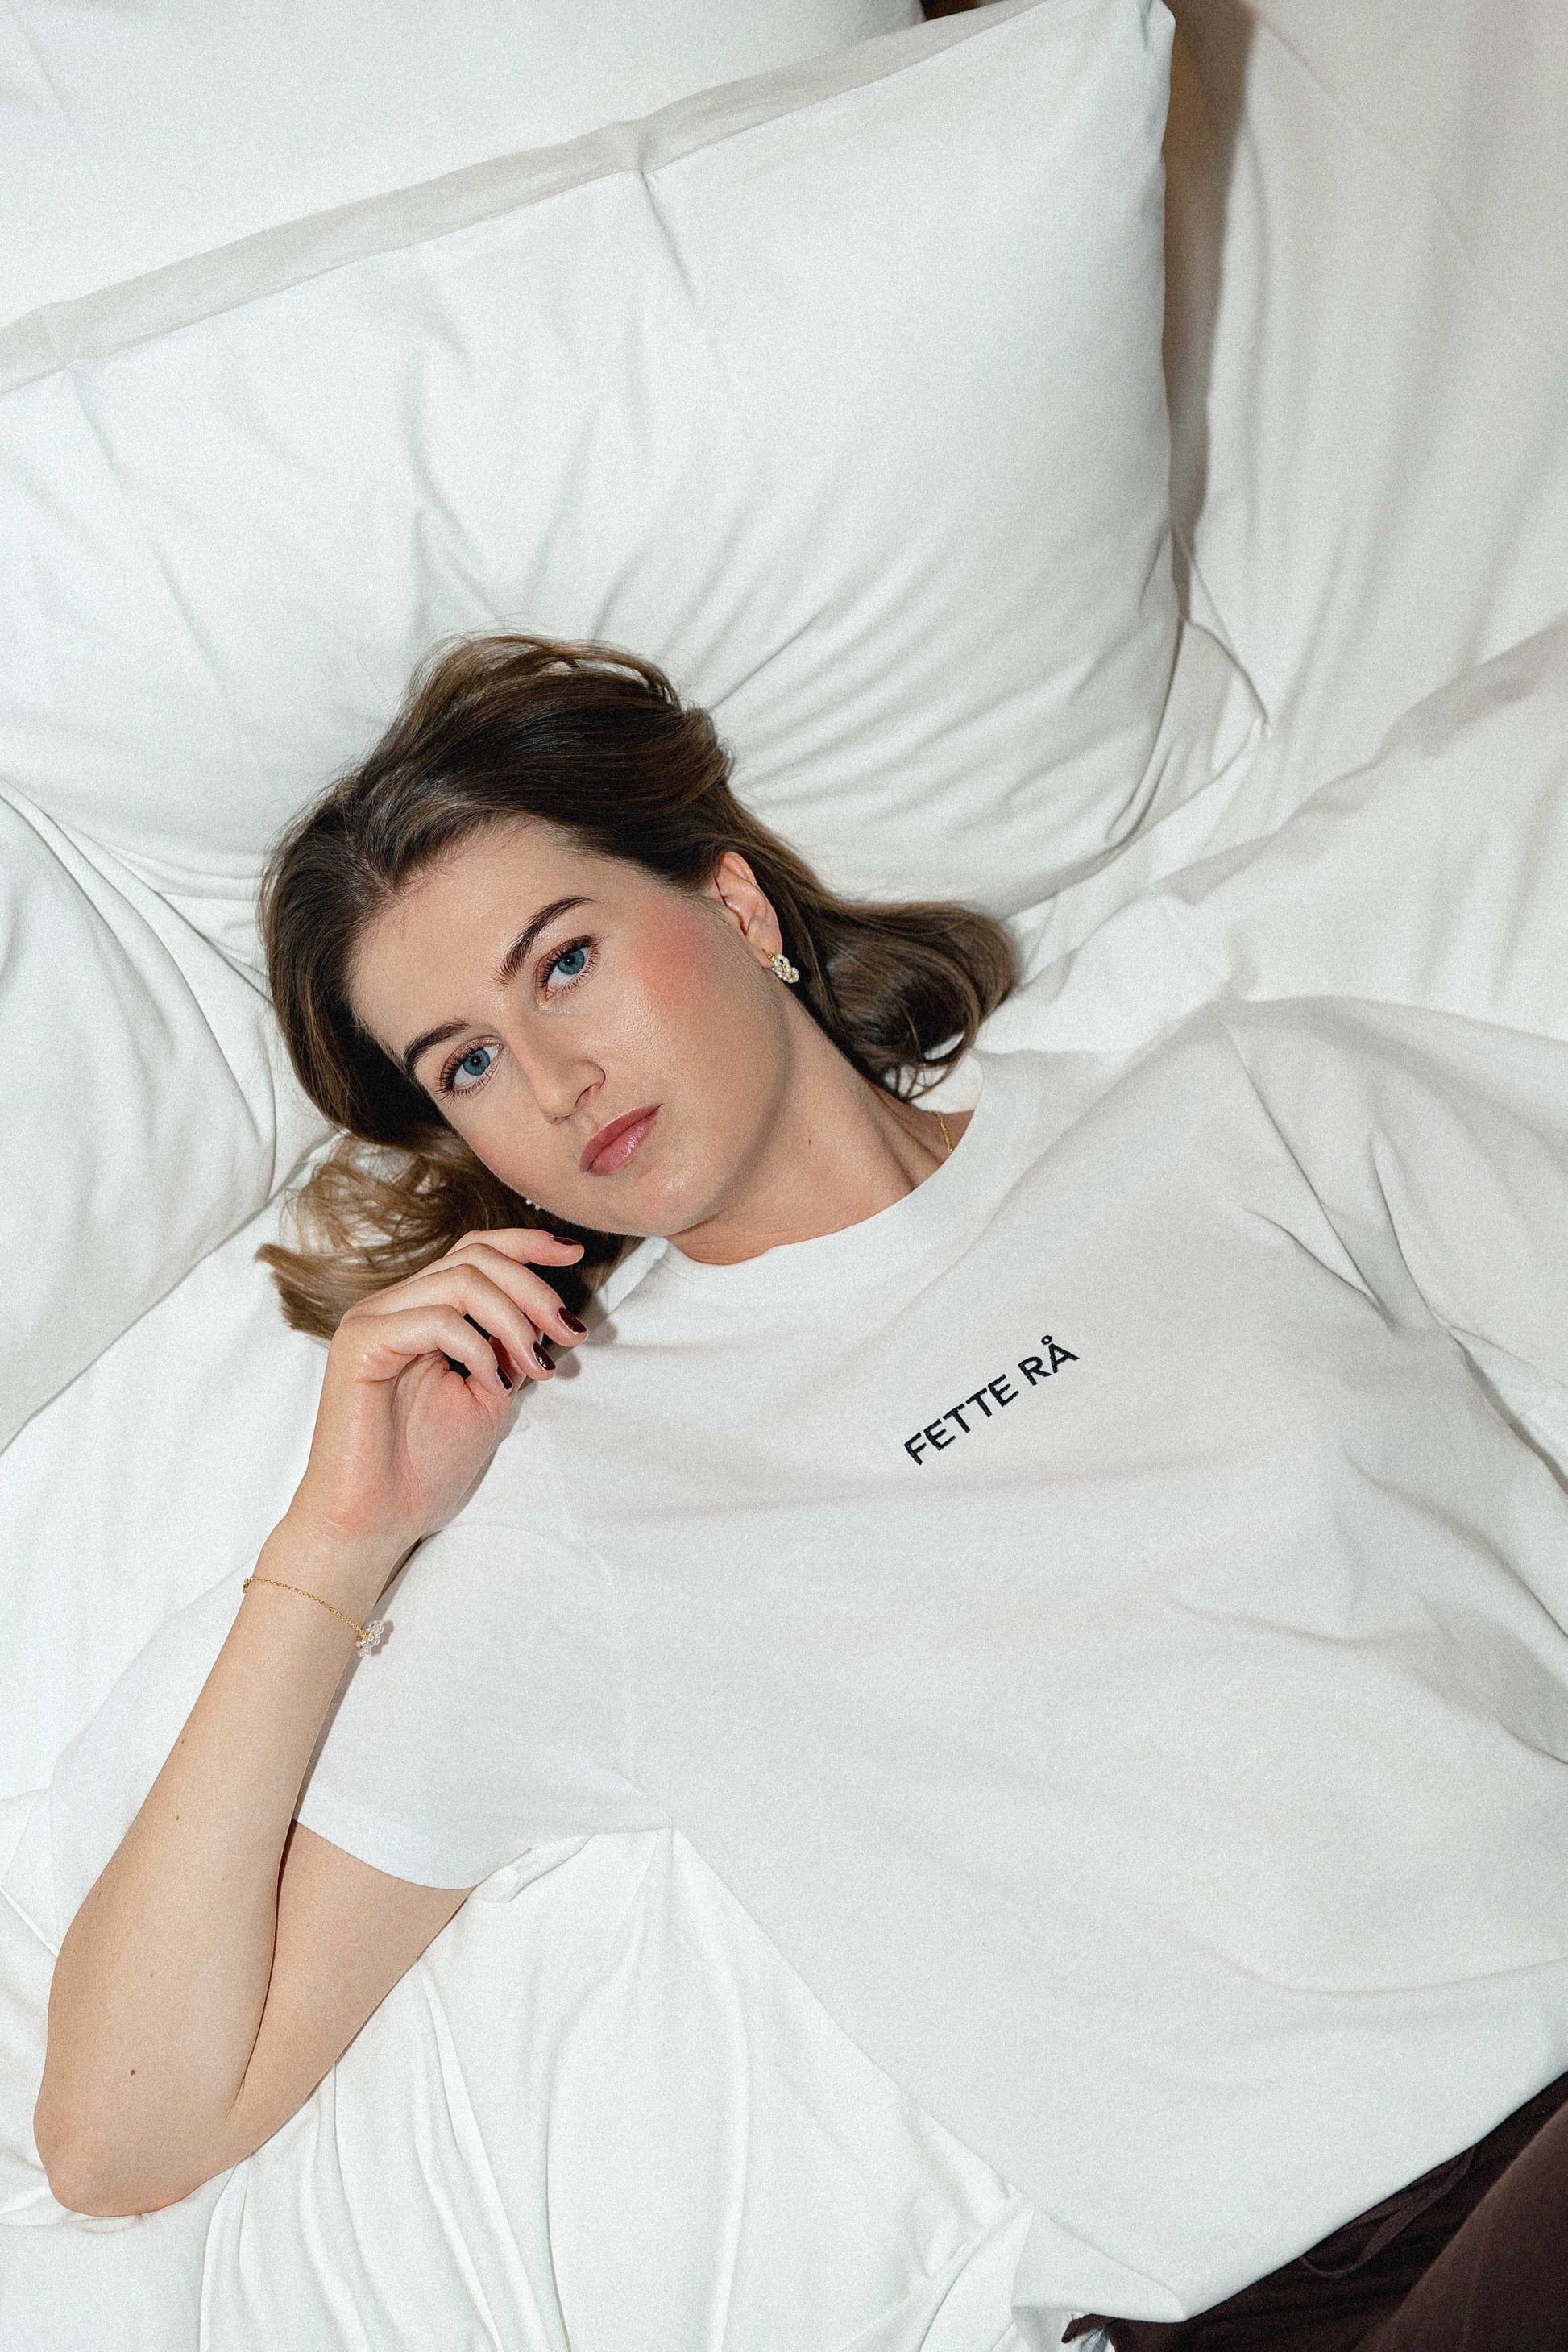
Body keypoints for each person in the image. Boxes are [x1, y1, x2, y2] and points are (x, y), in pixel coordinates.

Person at [33, 637, 1568, 2350]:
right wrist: (336, 1539)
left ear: (736, 903)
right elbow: (124, 2133)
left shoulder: (1249, 1109)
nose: (551, 1082)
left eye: (564, 963)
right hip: (1292, 2301)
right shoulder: (581, 1509)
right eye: (464, 1064)